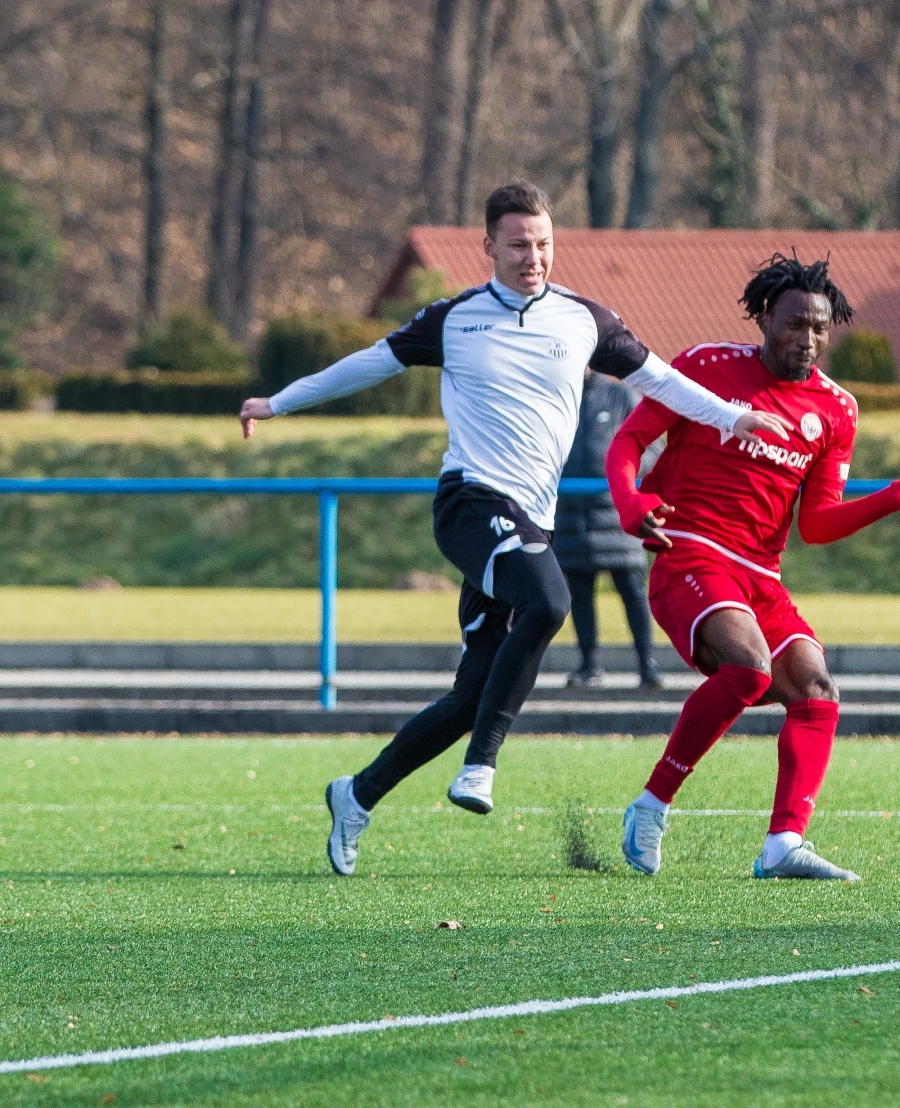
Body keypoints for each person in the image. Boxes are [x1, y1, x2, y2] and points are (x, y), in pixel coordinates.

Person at [236, 180, 790, 876]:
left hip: (532, 522)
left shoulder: (584, 320)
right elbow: (370, 363)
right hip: (469, 503)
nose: (534, 258)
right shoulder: (455, 318)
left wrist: (733, 417)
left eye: (543, 244)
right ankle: (482, 764)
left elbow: (660, 379)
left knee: (471, 695)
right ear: (490, 247)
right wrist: (278, 403)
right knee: (551, 602)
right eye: (520, 245)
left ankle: (357, 794)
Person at [605, 252, 900, 881]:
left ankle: (783, 845)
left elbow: (816, 524)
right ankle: (651, 806)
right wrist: (631, 503)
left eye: (819, 328)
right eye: (795, 324)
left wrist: (892, 498)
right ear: (764, 318)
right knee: (749, 667)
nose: (808, 339)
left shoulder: (836, 410)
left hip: (761, 575)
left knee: (816, 689)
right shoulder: (705, 366)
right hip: (689, 551)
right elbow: (629, 440)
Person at [555, 372, 663, 689]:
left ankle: (648, 665)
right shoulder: (555, 396)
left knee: (632, 593)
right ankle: (589, 665)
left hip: (618, 517)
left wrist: (622, 474)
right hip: (569, 517)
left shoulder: (622, 396)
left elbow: (653, 447)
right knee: (579, 595)